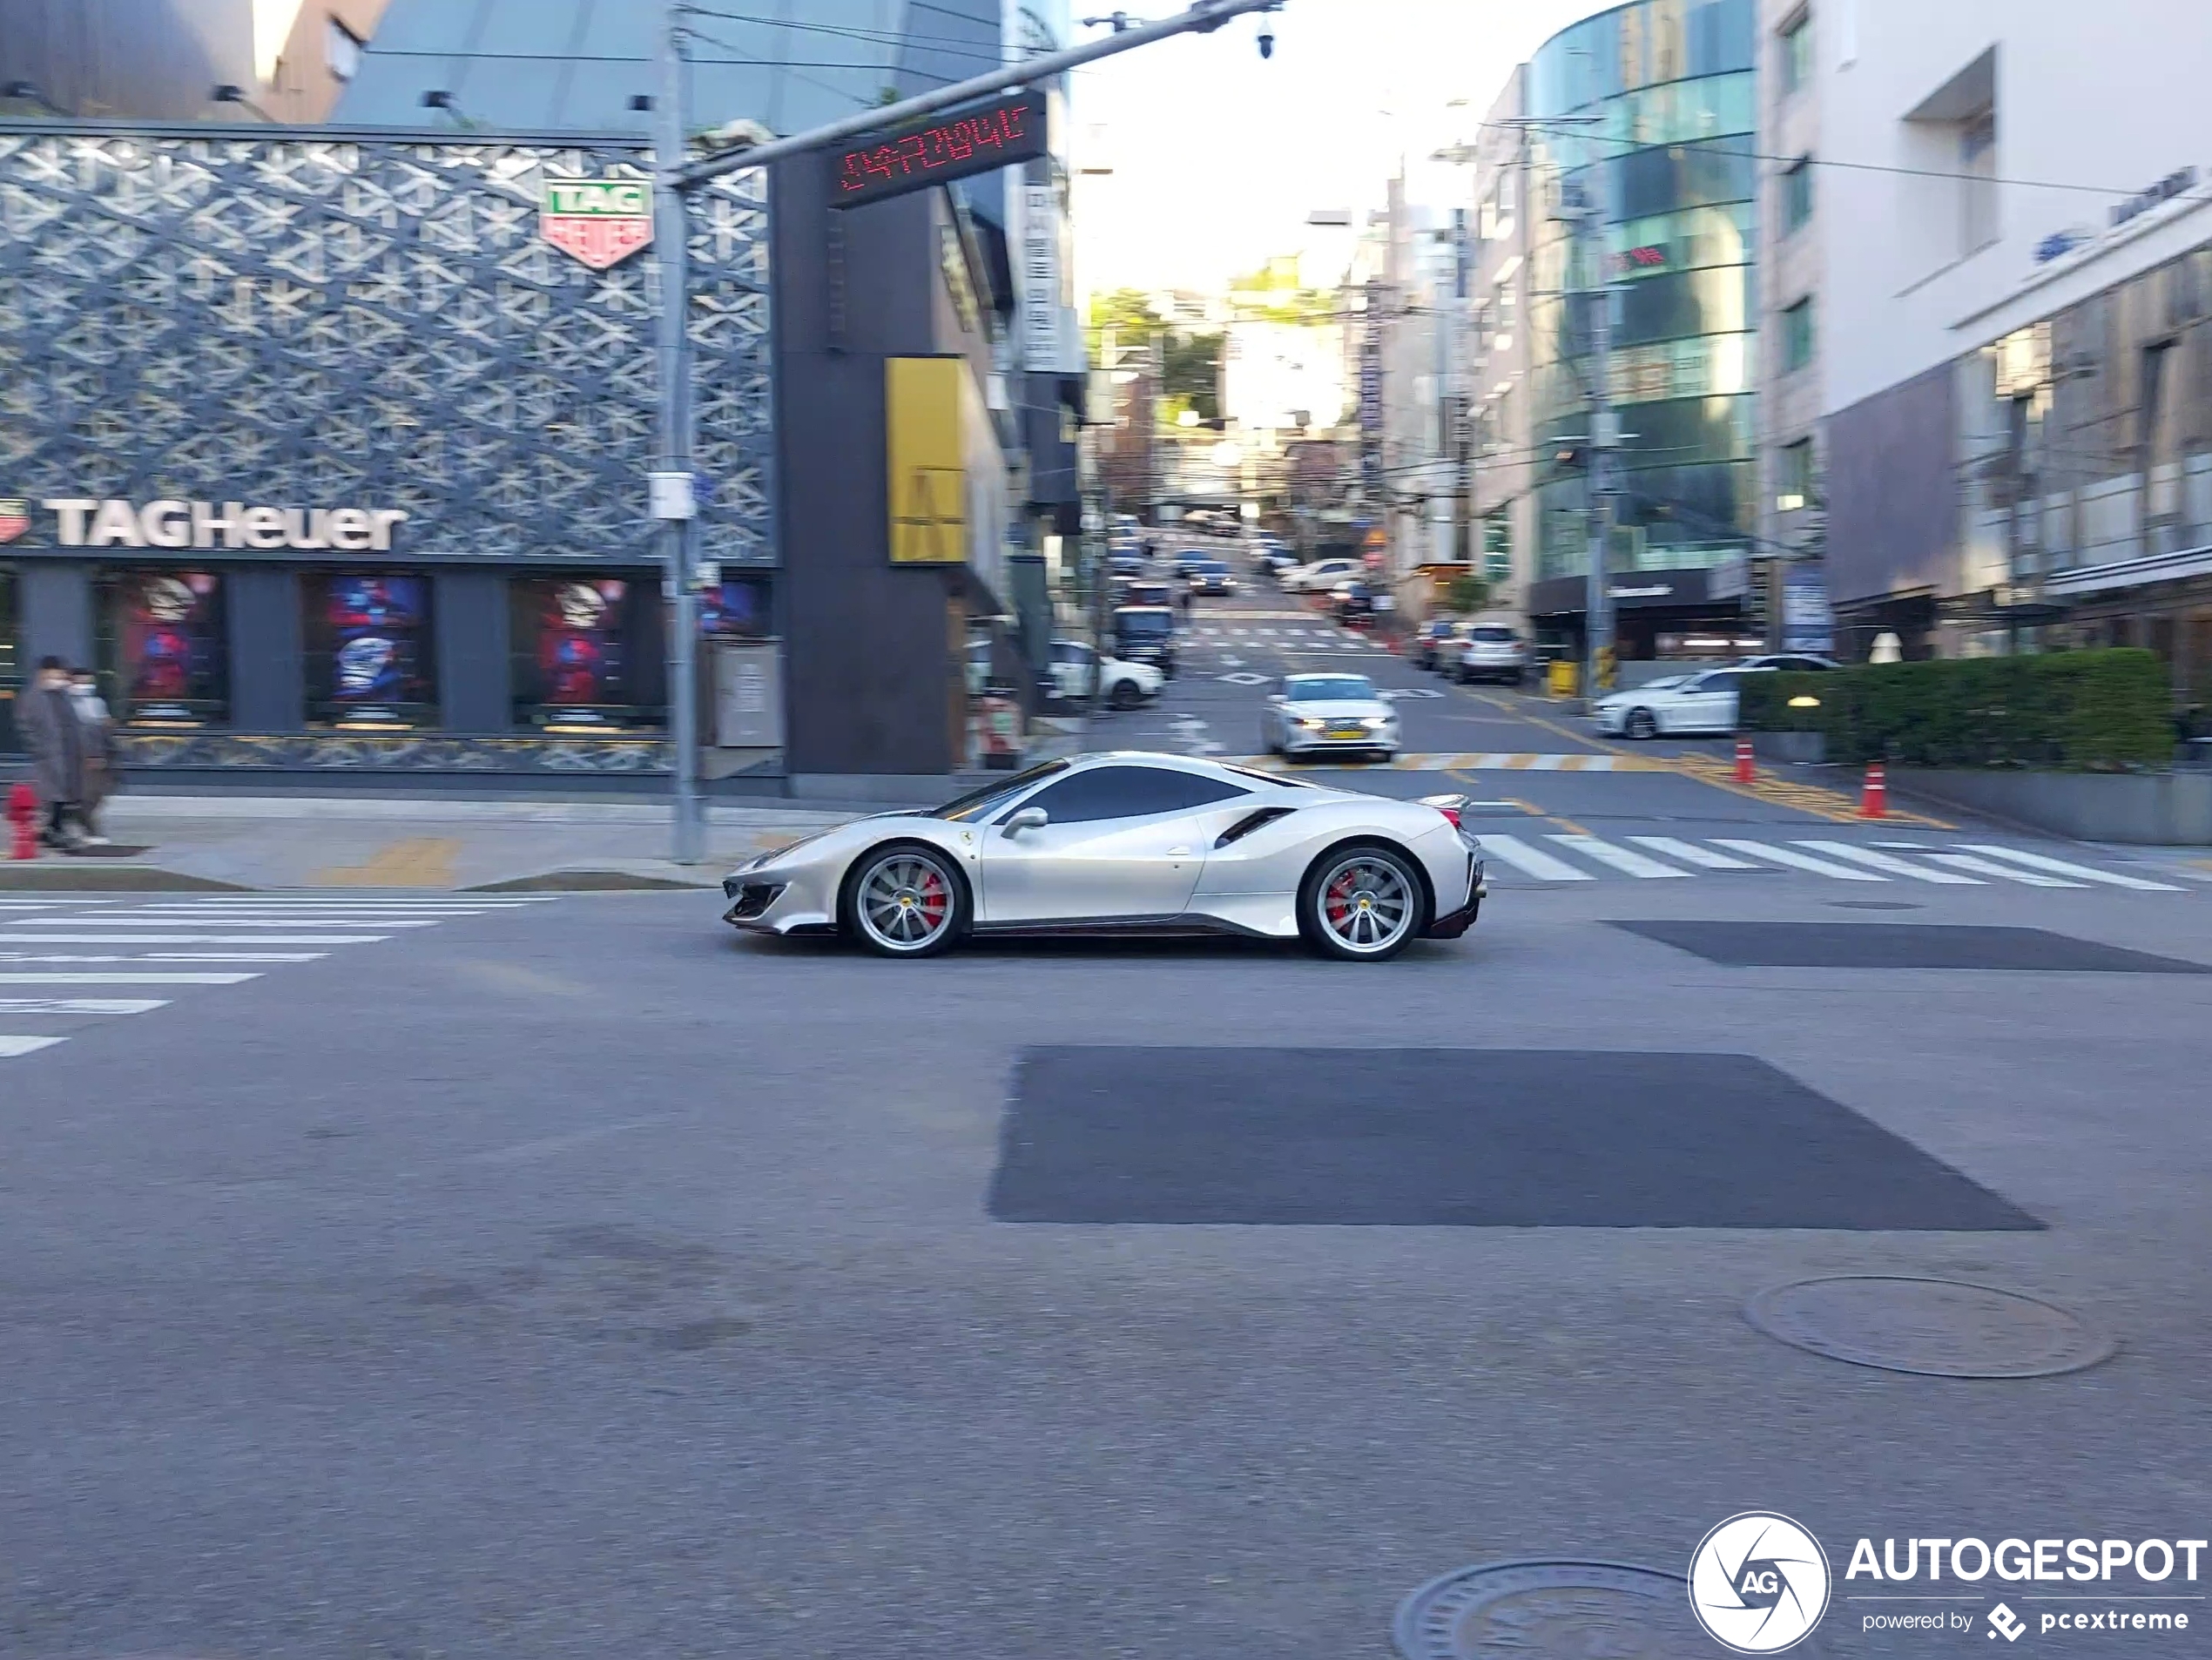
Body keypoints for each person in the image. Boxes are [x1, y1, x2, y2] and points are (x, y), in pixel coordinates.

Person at [17, 656, 85, 850]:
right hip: (49, 755)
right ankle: (52, 830)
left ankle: (53, 829)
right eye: (59, 673)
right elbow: (25, 727)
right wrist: (39, 748)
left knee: (65, 795)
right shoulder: (32, 697)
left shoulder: (62, 695)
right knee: (53, 795)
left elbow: (72, 722)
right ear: (45, 672)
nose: (62, 677)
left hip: (67, 753)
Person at [68, 668, 116, 847]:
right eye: (81, 681)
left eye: (88, 681)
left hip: (99, 753)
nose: (85, 685)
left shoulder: (97, 703)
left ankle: (74, 821)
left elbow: (102, 728)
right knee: (86, 794)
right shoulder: (66, 703)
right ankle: (89, 828)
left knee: (96, 795)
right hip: (79, 756)